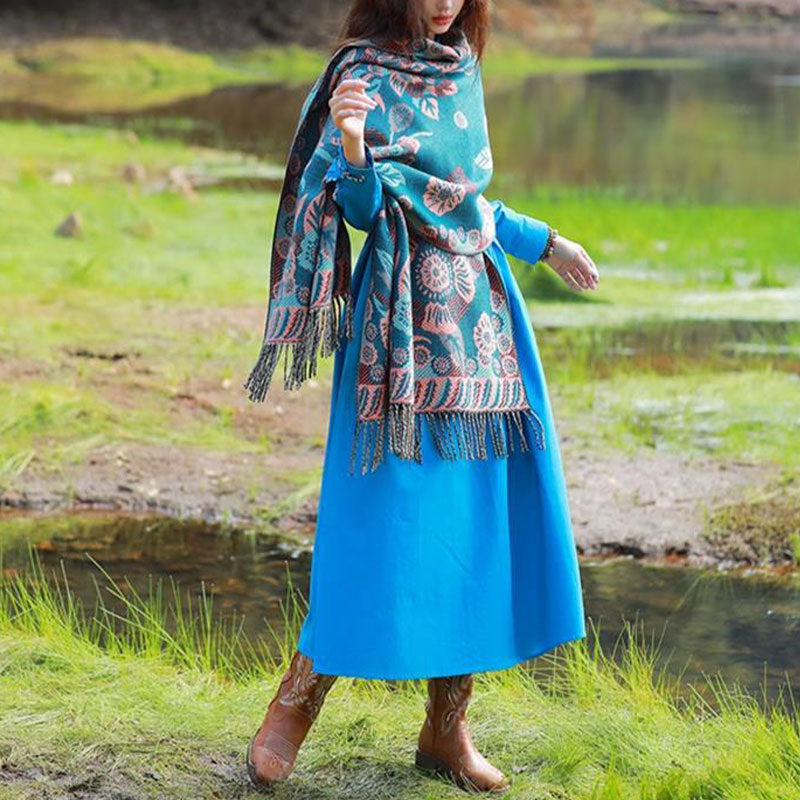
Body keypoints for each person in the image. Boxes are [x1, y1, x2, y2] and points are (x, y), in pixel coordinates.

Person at [244, 0, 599, 793]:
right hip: (395, 329)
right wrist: (350, 142)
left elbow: (470, 206)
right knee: (380, 517)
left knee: (471, 527)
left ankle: (447, 730)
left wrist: (547, 243)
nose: (446, 1)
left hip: (483, 330)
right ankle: (294, 706)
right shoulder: (362, 73)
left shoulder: (463, 68)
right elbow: (365, 212)